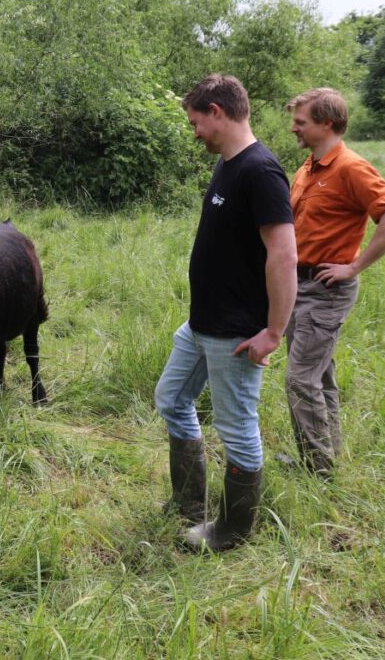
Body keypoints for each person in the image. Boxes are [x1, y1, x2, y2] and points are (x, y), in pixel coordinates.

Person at [154, 73, 297, 552]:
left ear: (217, 111)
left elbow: (284, 255)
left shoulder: (261, 172)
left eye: (196, 121)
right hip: (201, 325)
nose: (194, 131)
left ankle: (233, 529)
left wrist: (274, 332)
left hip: (235, 331)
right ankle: (189, 503)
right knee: (172, 398)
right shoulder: (228, 165)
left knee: (237, 429)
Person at [282, 88, 385, 478]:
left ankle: (318, 472)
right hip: (299, 286)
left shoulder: (351, 167)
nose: (294, 128)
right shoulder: (308, 168)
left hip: (326, 290)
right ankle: (325, 456)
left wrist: (355, 266)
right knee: (319, 374)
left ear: (327, 123)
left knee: (300, 379)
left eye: (301, 122)